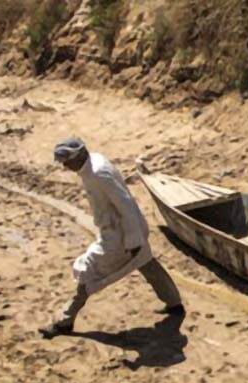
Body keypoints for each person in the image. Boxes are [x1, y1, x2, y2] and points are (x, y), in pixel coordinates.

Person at [40, 137, 183, 338]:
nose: (65, 166)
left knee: (88, 271)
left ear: (78, 155)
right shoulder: (94, 163)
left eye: (66, 161)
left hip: (120, 235)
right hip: (122, 230)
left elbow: (125, 206)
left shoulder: (98, 174)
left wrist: (133, 241)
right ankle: (174, 303)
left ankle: (64, 320)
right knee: (146, 263)